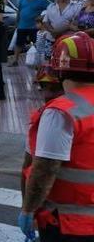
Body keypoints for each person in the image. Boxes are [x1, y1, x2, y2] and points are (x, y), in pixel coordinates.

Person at [19, 32, 94, 241]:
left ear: (60, 70)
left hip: (68, 225)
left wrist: (28, 210)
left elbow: (44, 169)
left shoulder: (61, 111)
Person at [14, 0, 51, 66]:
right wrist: (17, 22)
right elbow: (18, 11)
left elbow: (52, 8)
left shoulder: (42, 0)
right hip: (22, 25)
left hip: (34, 27)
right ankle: (15, 60)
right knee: (18, 43)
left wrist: (42, 16)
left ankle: (38, 62)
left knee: (37, 44)